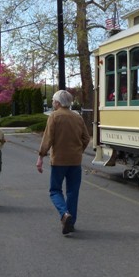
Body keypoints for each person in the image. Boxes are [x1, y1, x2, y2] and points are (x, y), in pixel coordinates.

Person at [35, 90, 91, 235]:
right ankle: (70, 223)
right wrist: (79, 150)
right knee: (73, 192)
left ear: (58, 103)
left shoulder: (54, 116)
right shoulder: (77, 117)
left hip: (59, 160)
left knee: (55, 190)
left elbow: (48, 139)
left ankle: (64, 214)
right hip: (75, 160)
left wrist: (41, 157)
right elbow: (86, 138)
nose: (53, 103)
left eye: (53, 101)